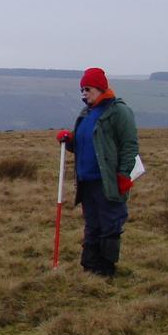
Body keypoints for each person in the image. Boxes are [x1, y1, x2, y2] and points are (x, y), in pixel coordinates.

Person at [55, 67, 139, 278]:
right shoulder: (86, 114)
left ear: (101, 88)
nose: (84, 93)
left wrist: (123, 175)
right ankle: (90, 268)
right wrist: (69, 140)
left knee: (110, 225)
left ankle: (105, 270)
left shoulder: (119, 112)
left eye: (88, 89)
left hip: (108, 181)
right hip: (87, 181)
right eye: (82, 89)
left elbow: (129, 146)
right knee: (92, 225)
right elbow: (84, 144)